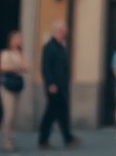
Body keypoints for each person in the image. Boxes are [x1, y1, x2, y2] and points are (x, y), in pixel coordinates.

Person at [37, 21, 79, 150]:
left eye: (65, 31)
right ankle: (43, 140)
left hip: (62, 85)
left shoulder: (61, 47)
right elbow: (46, 68)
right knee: (51, 114)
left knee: (62, 112)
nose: (64, 33)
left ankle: (67, 137)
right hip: (54, 86)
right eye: (62, 31)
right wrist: (50, 83)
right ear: (56, 32)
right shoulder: (49, 47)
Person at [0, 30, 30, 153]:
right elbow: (3, 68)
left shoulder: (20, 53)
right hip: (7, 87)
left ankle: (11, 139)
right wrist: (17, 67)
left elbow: (27, 67)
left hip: (17, 85)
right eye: (17, 38)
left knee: (14, 115)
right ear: (11, 40)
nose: (19, 41)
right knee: (8, 114)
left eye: (20, 39)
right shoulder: (5, 53)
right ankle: (5, 141)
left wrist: (20, 65)